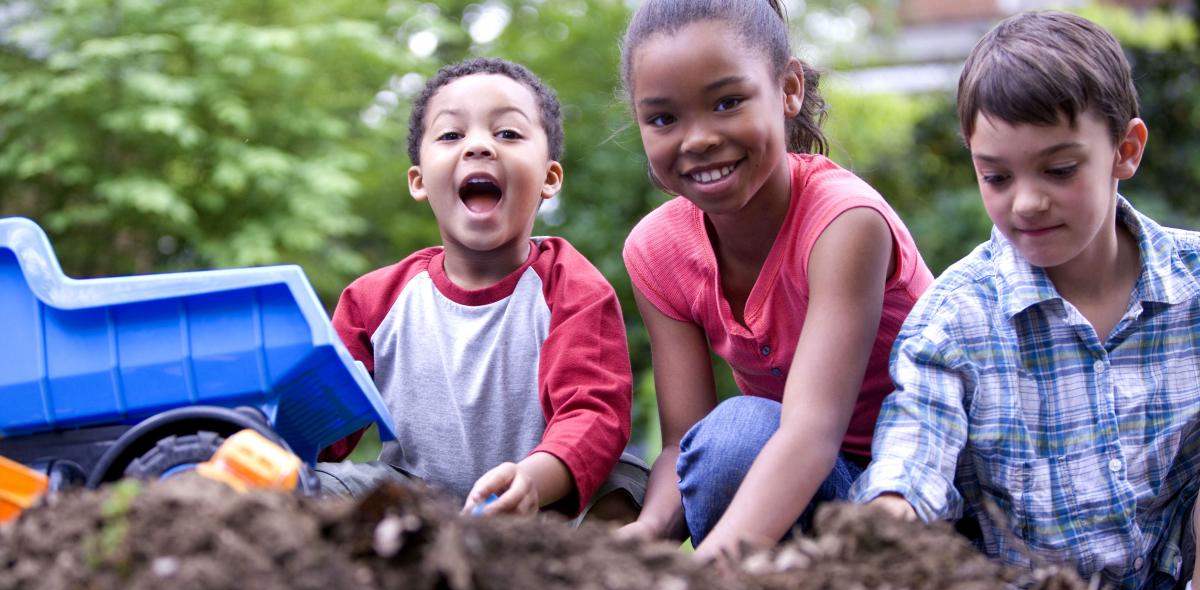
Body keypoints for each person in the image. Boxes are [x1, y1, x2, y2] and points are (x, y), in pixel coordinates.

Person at [851, 11, 1200, 590]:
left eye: (1060, 170)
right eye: (997, 176)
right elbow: (917, 445)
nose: (1028, 202)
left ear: (1126, 150)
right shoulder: (954, 320)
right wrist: (890, 512)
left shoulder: (1194, 282)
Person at [616, 0, 933, 560]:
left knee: (741, 435)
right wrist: (641, 538)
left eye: (727, 102)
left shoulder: (844, 223)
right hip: (803, 487)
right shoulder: (658, 250)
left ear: (788, 89)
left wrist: (706, 574)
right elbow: (679, 447)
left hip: (919, 493)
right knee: (728, 442)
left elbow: (811, 431)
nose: (698, 139)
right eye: (664, 118)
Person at [315, 58, 646, 524]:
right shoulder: (372, 300)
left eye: (508, 133)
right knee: (307, 486)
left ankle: (567, 585)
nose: (479, 146)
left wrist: (534, 479)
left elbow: (593, 413)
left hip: (540, 500)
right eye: (451, 135)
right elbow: (322, 426)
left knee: (631, 486)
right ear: (419, 181)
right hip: (410, 501)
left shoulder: (574, 288)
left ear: (550, 178)